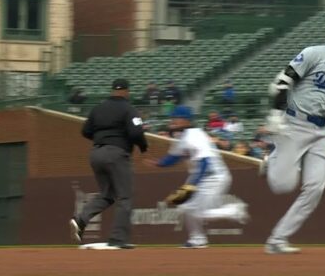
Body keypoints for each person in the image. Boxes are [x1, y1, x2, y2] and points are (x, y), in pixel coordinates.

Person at [260, 17, 325, 254]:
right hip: (295, 123)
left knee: (316, 188)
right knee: (282, 185)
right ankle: (272, 162)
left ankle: (278, 239)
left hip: (322, 132)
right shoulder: (314, 54)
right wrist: (277, 113)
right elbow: (281, 82)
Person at [144, 106, 249, 247]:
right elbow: (174, 157)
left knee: (198, 211)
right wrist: (159, 163)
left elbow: (205, 162)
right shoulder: (182, 136)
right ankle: (197, 239)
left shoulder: (195, 136)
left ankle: (233, 211)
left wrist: (190, 187)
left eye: (176, 118)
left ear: (186, 120)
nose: (173, 120)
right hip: (202, 176)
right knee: (185, 207)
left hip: (213, 176)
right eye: (173, 118)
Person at [70, 79, 148, 249]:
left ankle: (81, 219)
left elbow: (85, 131)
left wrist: (102, 140)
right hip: (117, 154)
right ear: (127, 91)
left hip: (96, 154)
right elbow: (136, 132)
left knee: (107, 195)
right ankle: (118, 239)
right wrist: (143, 146)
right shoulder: (129, 109)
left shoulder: (98, 108)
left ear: (112, 90)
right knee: (125, 197)